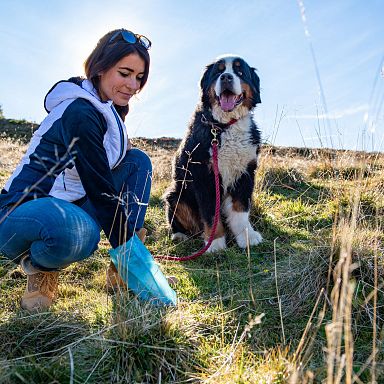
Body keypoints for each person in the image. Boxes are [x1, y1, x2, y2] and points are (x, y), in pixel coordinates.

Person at [0, 28, 154, 311]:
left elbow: (115, 169)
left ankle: (120, 270)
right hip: (20, 211)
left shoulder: (108, 111)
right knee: (75, 232)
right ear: (100, 67)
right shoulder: (80, 111)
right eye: (125, 73)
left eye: (139, 78)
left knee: (138, 162)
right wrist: (132, 253)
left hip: (72, 204)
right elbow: (101, 189)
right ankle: (41, 268)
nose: (133, 85)